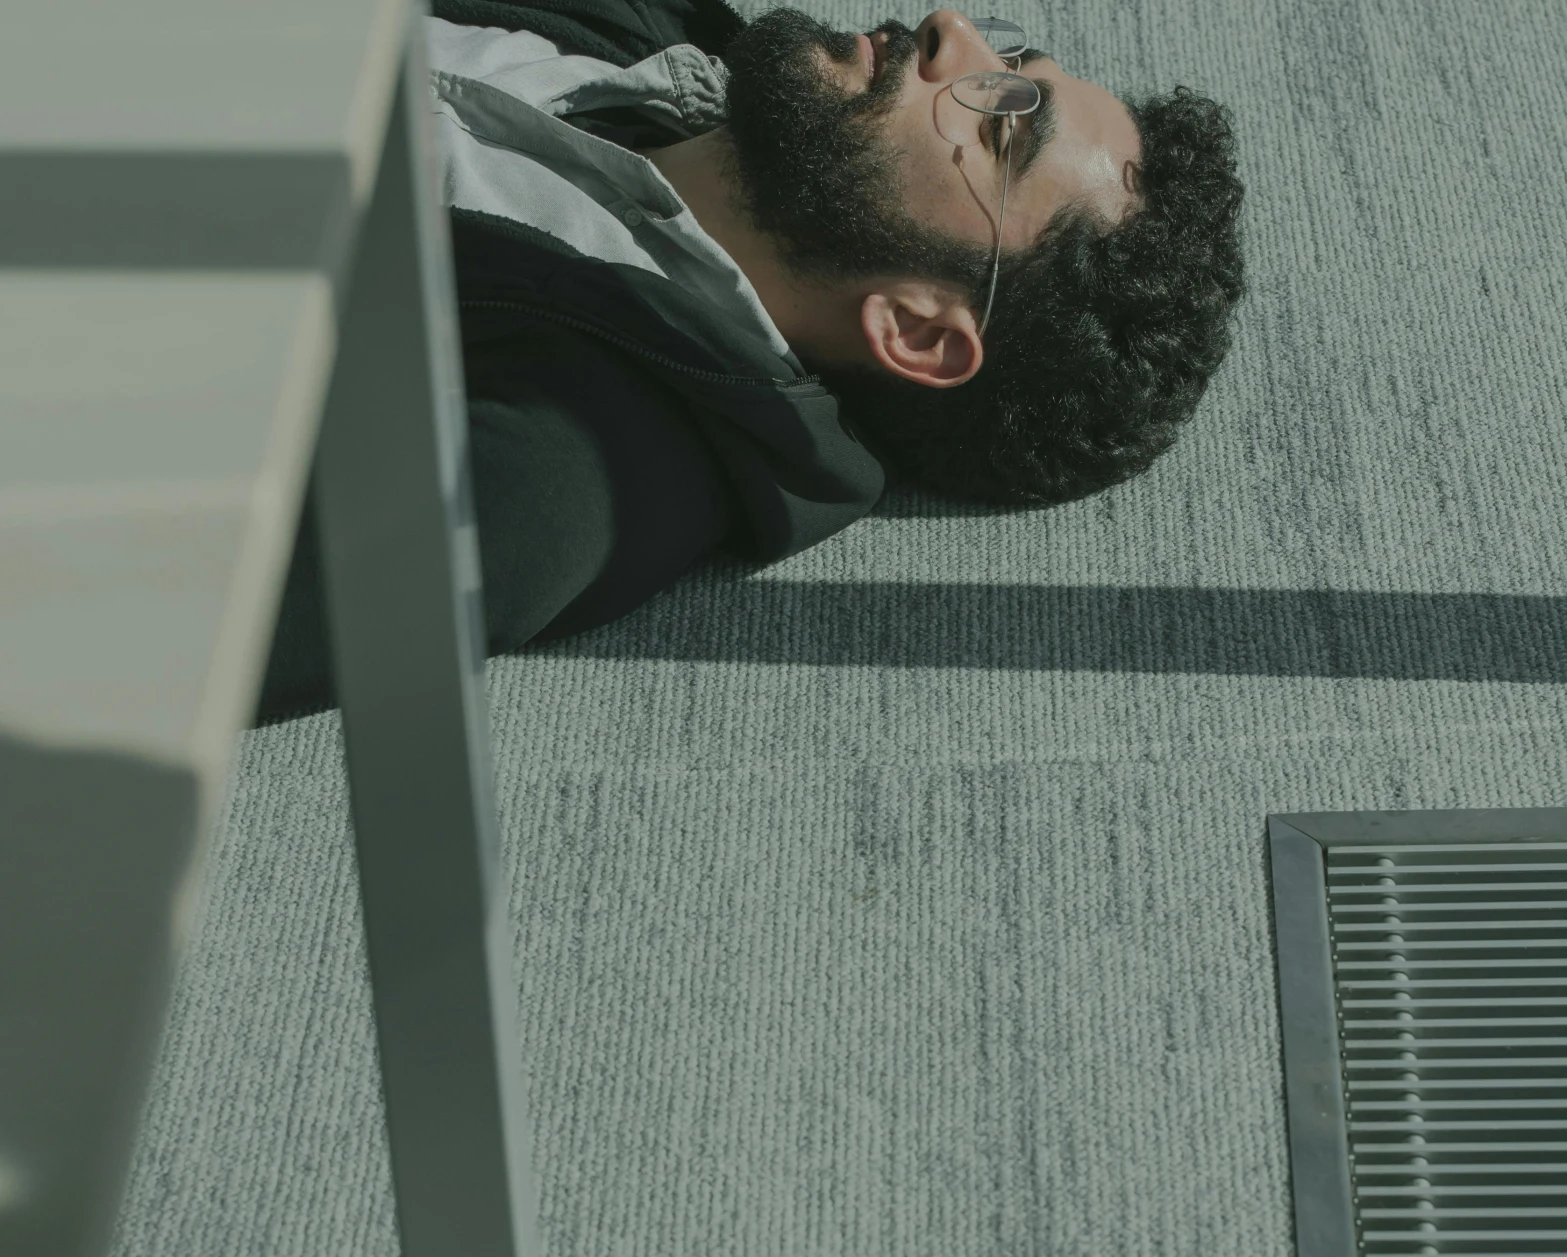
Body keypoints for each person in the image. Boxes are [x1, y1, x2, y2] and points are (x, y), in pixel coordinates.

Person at [255, 2, 1244, 723]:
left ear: (914, 331)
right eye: (1013, 52)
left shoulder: (559, 476)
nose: (950, 31)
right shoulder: (662, 41)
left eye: (998, 121)